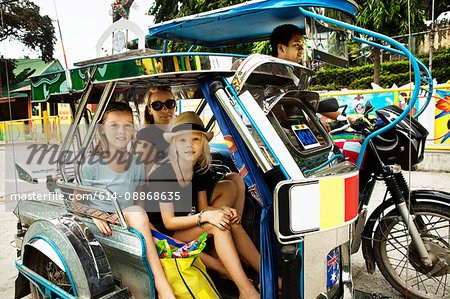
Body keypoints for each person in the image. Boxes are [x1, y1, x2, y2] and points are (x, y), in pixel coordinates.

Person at [146, 112, 260, 299]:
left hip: (185, 227)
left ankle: (265, 274)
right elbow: (169, 222)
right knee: (217, 225)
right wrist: (206, 217)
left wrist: (223, 211)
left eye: (196, 139)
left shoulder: (197, 169)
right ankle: (246, 290)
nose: (189, 145)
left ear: (203, 144)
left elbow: (203, 207)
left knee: (227, 221)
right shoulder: (165, 174)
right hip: (164, 235)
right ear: (174, 144)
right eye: (182, 140)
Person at [74, 102, 176, 299]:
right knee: (145, 226)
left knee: (171, 242)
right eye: (114, 125)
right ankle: (165, 290)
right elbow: (77, 204)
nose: (122, 130)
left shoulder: (137, 162)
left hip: (130, 221)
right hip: (104, 227)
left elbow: (139, 202)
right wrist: (95, 214)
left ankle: (221, 269)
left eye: (128, 125)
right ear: (102, 130)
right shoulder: (92, 164)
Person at [135, 86, 246, 217]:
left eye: (169, 104)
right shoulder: (146, 135)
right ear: (149, 109)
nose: (165, 109)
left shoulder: (182, 128)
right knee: (229, 187)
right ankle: (214, 225)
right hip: (174, 188)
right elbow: (148, 177)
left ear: (175, 106)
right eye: (157, 105)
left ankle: (234, 222)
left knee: (237, 178)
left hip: (194, 179)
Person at [270, 24, 343, 127]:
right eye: (296, 44)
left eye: (302, 44)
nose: (301, 49)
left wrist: (343, 117)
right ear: (281, 48)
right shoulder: (271, 73)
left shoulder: (293, 74)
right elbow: (277, 110)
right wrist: (312, 126)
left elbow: (307, 104)